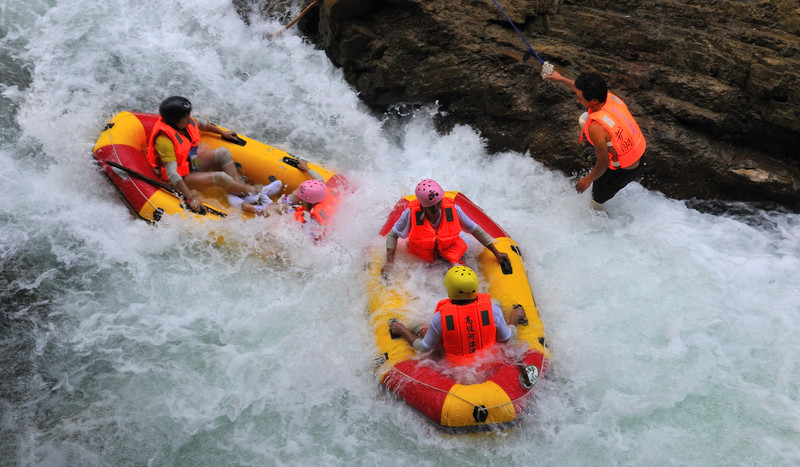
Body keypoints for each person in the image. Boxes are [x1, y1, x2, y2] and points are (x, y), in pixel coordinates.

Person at [544, 71, 647, 209]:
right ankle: (601, 148)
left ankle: (600, 219)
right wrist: (561, 78)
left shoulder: (596, 127)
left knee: (596, 201)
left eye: (580, 98)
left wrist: (587, 180)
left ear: (594, 101)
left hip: (622, 171)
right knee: (584, 119)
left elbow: (604, 162)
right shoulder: (609, 97)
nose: (577, 100)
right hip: (638, 152)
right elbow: (582, 89)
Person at [389, 265, 528, 365]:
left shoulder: (440, 319)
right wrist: (513, 318)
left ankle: (416, 329)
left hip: (455, 367)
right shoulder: (493, 310)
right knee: (496, 303)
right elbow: (508, 339)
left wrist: (403, 330)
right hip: (488, 360)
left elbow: (423, 348)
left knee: (414, 324)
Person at [147, 96, 261, 212]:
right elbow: (172, 173)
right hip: (181, 177)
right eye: (185, 117)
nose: (188, 118)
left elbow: (201, 124)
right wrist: (191, 198)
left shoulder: (184, 122)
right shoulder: (164, 140)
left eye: (188, 115)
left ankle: (239, 191)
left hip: (190, 162)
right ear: (173, 121)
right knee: (220, 177)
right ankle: (254, 191)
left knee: (223, 153)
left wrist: (223, 133)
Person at [381, 179, 509, 275]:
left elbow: (474, 229)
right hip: (425, 258)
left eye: (438, 204)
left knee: (467, 280)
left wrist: (496, 253)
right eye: (431, 207)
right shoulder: (410, 214)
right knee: (433, 285)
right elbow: (393, 235)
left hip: (451, 252)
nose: (436, 209)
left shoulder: (453, 210)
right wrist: (389, 262)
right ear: (423, 205)